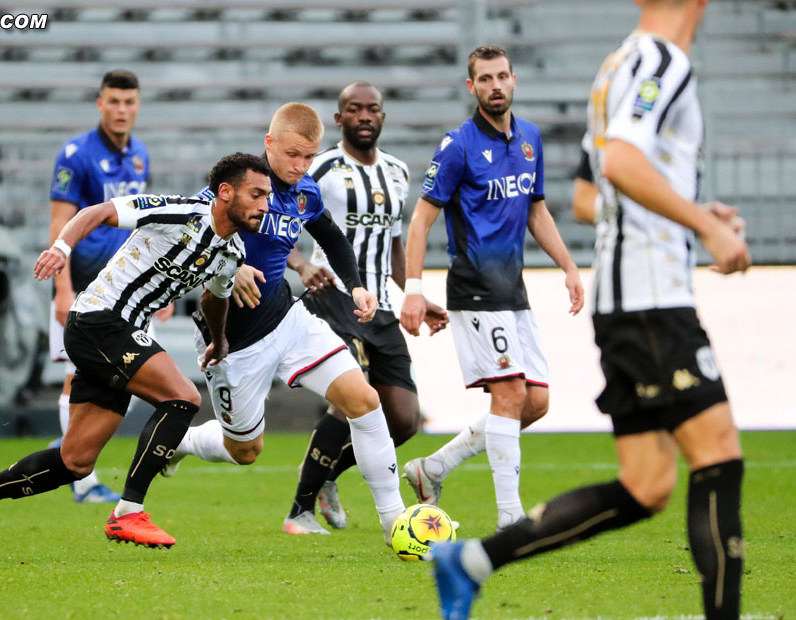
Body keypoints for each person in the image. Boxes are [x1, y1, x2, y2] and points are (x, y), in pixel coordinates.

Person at [431, 2, 751, 619]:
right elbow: (624, 165)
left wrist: (696, 214)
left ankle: (473, 560)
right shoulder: (662, 60)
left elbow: (584, 196)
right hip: (652, 299)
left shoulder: (618, 66)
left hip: (626, 300)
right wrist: (703, 229)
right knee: (718, 456)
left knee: (647, 484)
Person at [0, 153, 272, 561]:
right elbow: (97, 211)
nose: (264, 205)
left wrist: (219, 342)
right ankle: (129, 511)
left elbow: (215, 297)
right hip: (98, 319)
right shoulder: (182, 213)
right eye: (256, 194)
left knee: (75, 461)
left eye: (267, 197)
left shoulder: (231, 253)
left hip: (119, 334)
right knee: (183, 397)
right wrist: (62, 248)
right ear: (225, 192)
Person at [162, 102, 405, 544]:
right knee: (245, 451)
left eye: (309, 157)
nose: (300, 166)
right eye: (292, 155)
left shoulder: (305, 191)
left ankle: (396, 524)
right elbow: (192, 237)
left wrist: (355, 286)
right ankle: (185, 443)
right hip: (232, 340)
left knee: (364, 401)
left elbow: (331, 235)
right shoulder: (238, 188)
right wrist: (227, 266)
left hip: (288, 318)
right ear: (268, 143)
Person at [400, 45, 584, 530]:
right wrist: (414, 289)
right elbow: (420, 222)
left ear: (514, 80)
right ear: (472, 87)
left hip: (514, 290)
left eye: (502, 76)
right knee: (508, 395)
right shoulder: (457, 146)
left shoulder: (530, 139)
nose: (495, 85)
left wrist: (567, 265)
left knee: (535, 403)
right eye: (485, 79)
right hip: (475, 286)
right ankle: (510, 520)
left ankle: (432, 468)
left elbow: (536, 210)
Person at [281, 82, 448, 534]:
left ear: (382, 116)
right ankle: (299, 511)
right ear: (340, 119)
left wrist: (414, 290)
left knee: (403, 418)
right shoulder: (322, 167)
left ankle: (328, 474)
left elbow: (394, 242)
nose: (364, 116)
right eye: (353, 109)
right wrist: (300, 264)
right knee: (352, 396)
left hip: (379, 302)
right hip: (331, 295)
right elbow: (283, 223)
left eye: (372, 109)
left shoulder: (396, 171)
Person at [48, 69, 167, 503]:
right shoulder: (76, 154)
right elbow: (60, 224)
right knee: (73, 377)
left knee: (128, 379)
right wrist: (63, 290)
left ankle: (66, 453)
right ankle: (80, 479)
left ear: (138, 105)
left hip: (130, 288)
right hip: (83, 287)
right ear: (100, 103)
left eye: (129, 102)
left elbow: (145, 225)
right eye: (113, 101)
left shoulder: (139, 155)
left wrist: (158, 289)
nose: (121, 110)